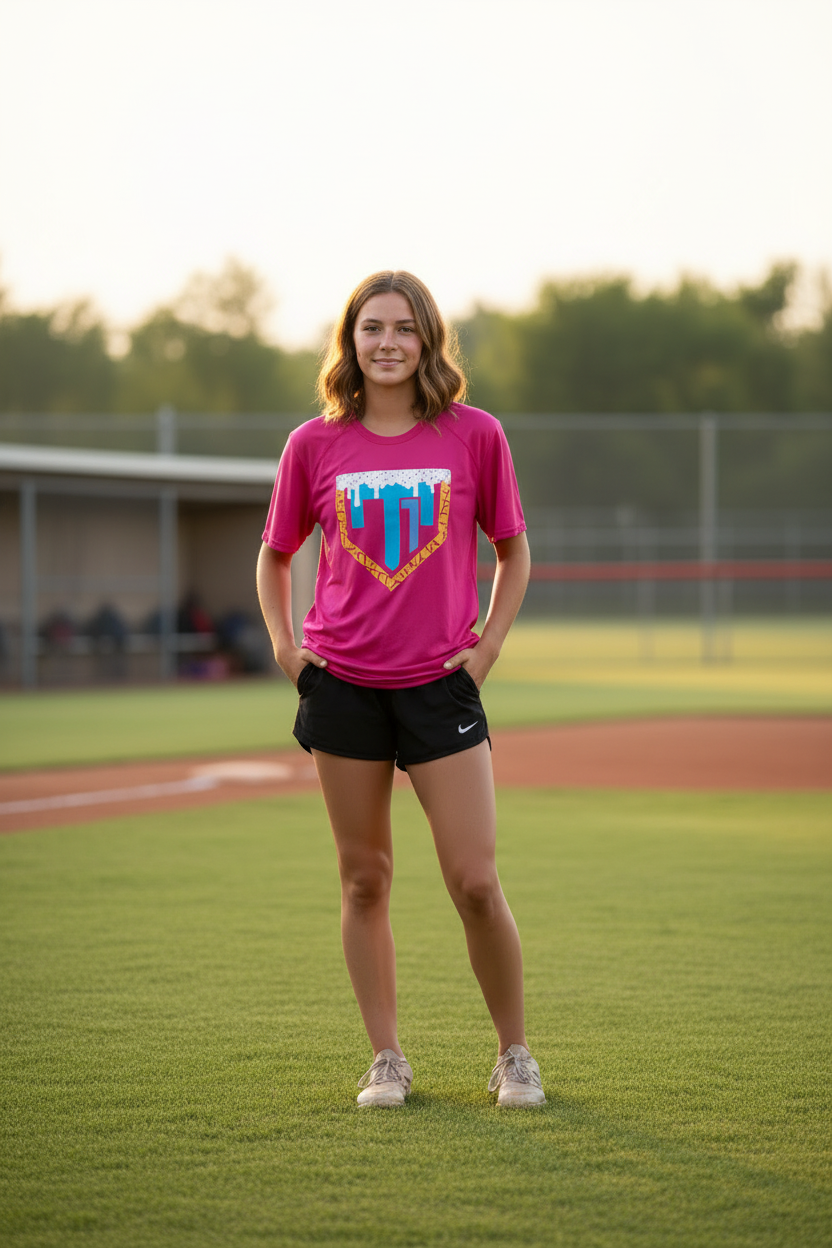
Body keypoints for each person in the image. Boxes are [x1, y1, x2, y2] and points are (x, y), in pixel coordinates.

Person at [256, 271, 545, 1109]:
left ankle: (514, 1054)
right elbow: (276, 555)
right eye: (371, 328)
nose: (386, 343)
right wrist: (285, 646)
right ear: (350, 341)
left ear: (429, 340)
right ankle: (387, 1058)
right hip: (341, 685)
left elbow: (513, 550)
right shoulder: (314, 444)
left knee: (476, 881)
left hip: (439, 690)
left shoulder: (475, 435)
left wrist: (485, 651)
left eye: (404, 328)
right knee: (364, 879)